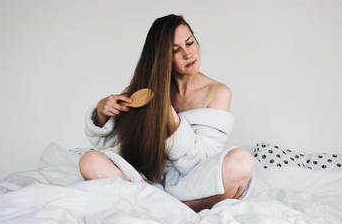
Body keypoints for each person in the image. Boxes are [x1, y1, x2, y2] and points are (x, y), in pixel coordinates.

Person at [79, 14, 255, 212]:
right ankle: (166, 205)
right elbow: (117, 144)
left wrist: (172, 121)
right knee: (89, 161)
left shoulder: (218, 92)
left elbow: (202, 159)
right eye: (175, 51)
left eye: (190, 43)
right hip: (146, 181)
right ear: (162, 58)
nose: (188, 54)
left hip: (192, 181)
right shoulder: (146, 90)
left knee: (242, 162)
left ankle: (158, 206)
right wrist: (103, 113)